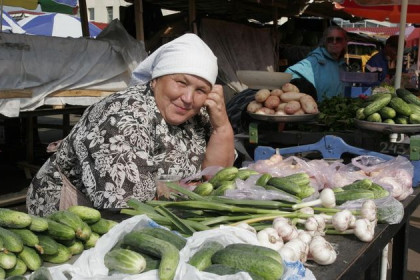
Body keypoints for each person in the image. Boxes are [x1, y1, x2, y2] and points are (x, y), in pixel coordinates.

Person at [26, 33, 235, 216]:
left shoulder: (197, 115)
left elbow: (216, 178)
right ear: (155, 80)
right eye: (181, 82)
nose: (188, 98)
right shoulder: (121, 115)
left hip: (156, 213)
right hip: (70, 214)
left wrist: (221, 127)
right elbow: (128, 202)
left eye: (201, 90)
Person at [285, 26, 349, 101]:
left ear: (345, 43)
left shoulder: (342, 65)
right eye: (330, 39)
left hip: (339, 110)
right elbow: (289, 74)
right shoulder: (315, 61)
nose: (334, 42)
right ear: (325, 42)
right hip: (320, 110)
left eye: (338, 39)